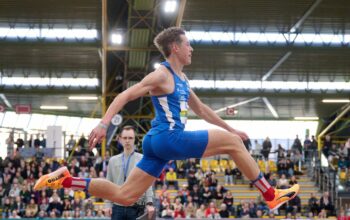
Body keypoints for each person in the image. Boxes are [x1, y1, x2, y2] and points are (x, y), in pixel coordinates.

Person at [34, 27, 299, 211]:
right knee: (231, 144)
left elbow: (203, 110)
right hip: (168, 138)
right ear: (175, 47)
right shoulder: (162, 75)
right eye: (188, 44)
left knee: (125, 196)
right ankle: (269, 194)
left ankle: (67, 180)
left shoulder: (182, 79)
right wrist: (104, 123)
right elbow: (126, 94)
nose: (192, 48)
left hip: (156, 144)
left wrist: (232, 129)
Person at [105, 125, 155, 220]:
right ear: (120, 139)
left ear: (134, 139)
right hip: (117, 207)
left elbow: (147, 183)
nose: (127, 140)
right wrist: (108, 204)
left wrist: (149, 203)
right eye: (125, 138)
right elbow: (108, 183)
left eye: (130, 138)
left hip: (136, 207)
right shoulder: (112, 160)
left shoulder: (142, 159)